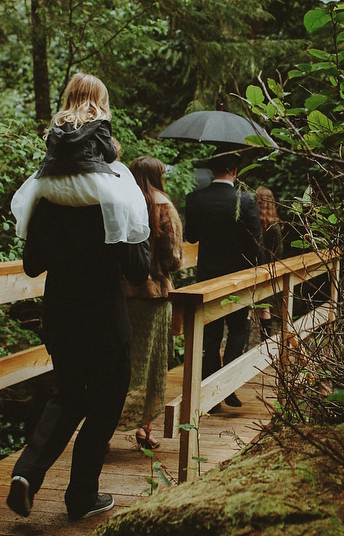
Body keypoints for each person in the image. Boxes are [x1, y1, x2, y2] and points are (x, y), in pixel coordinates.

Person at [6, 198, 151, 521]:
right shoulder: (114, 201)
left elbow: (32, 265)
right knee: (106, 406)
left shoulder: (47, 202)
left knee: (68, 396)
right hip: (105, 323)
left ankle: (26, 473)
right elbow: (139, 272)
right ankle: (82, 495)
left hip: (61, 320)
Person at [10, 72, 149, 245]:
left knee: (31, 201)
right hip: (88, 182)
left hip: (50, 184)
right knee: (125, 190)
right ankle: (128, 232)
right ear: (98, 99)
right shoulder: (99, 123)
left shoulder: (57, 124)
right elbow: (110, 156)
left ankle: (27, 233)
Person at [184, 152, 262, 409]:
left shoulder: (195, 199)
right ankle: (227, 385)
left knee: (210, 333)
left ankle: (211, 388)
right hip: (237, 278)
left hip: (207, 277)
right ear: (235, 171)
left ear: (211, 170)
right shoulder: (246, 200)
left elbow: (192, 237)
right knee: (238, 330)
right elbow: (256, 244)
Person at [122, 156, 184, 450]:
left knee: (121, 363)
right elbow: (173, 258)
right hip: (154, 296)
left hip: (120, 296)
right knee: (152, 364)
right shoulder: (163, 206)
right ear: (159, 176)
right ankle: (145, 430)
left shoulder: (121, 203)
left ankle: (104, 429)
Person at [254, 186, 284, 339]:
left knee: (247, 307)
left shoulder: (252, 224)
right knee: (265, 308)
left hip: (251, 270)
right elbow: (278, 252)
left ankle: (244, 347)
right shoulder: (274, 226)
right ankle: (265, 343)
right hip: (268, 272)